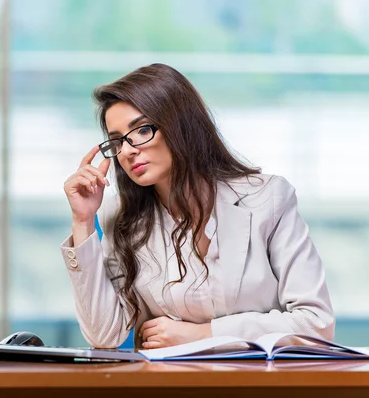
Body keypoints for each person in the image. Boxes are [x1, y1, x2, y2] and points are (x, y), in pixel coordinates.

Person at [60, 63, 334, 349]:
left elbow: (316, 323)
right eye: (116, 141)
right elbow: (104, 336)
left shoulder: (268, 199)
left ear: (180, 125)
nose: (127, 150)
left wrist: (204, 334)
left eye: (141, 130)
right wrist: (83, 222)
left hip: (262, 386)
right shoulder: (122, 217)